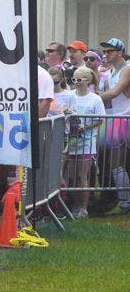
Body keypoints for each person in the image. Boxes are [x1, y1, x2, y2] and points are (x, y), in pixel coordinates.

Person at [57, 66, 106, 219]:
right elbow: (61, 109)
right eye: (73, 80)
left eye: (79, 80)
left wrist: (86, 126)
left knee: (81, 176)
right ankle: (75, 205)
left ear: (87, 81)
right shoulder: (70, 95)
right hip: (70, 141)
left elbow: (101, 118)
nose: (76, 83)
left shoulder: (95, 99)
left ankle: (83, 208)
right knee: (71, 177)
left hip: (87, 142)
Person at [98, 38, 130, 213]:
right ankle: (124, 202)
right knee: (114, 161)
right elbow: (111, 99)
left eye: (109, 51)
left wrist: (94, 96)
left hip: (124, 120)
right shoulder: (112, 72)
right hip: (117, 119)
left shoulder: (127, 69)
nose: (106, 54)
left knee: (116, 161)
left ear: (119, 53)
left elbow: (114, 93)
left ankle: (125, 203)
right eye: (105, 51)